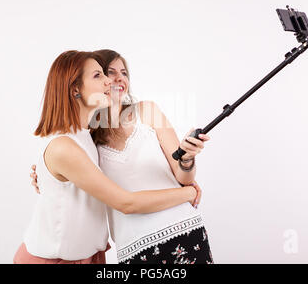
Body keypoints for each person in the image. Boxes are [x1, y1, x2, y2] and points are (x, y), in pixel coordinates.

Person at [14, 50, 200, 264]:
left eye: (122, 73)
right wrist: (188, 193)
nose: (110, 81)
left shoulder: (85, 136)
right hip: (55, 258)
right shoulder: (73, 144)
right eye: (101, 74)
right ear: (75, 89)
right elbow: (125, 203)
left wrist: (186, 161)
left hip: (91, 256)